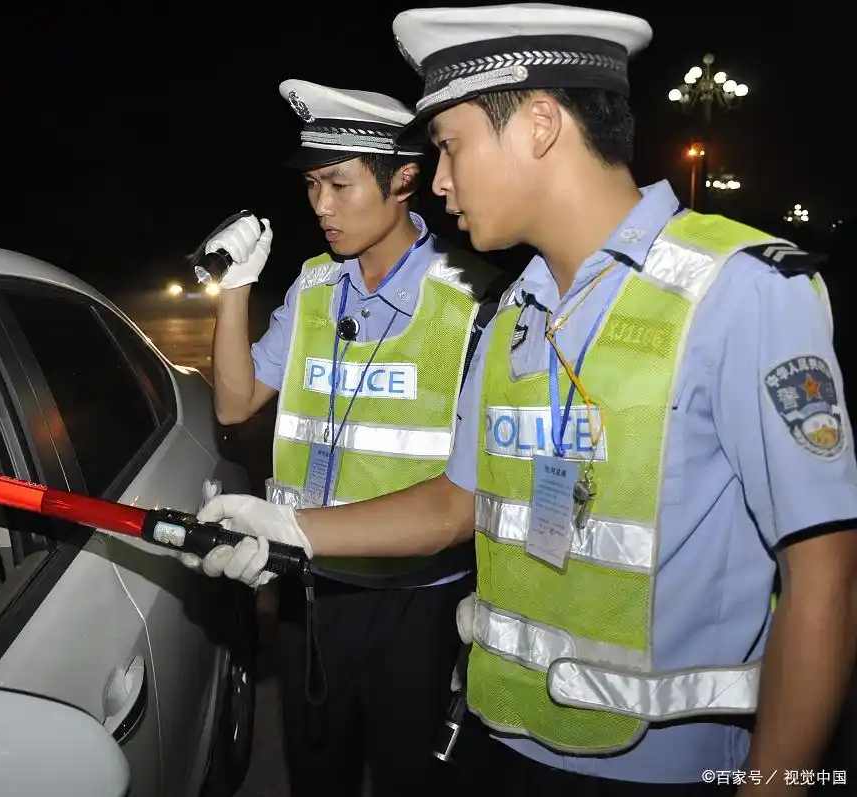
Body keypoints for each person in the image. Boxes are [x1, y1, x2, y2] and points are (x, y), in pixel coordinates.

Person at [191, 5, 857, 795]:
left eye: (450, 147)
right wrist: (289, 525)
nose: (438, 181)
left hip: (665, 771)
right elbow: (455, 502)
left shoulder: (738, 294)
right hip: (496, 741)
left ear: (540, 123)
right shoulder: (517, 312)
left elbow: (825, 576)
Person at [187, 79, 507, 795]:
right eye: (311, 186)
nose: (320, 206)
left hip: (418, 606)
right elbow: (236, 403)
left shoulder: (476, 301)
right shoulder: (311, 288)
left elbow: (462, 500)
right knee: (315, 776)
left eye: (338, 183)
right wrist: (235, 288)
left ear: (404, 180)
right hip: (310, 595)